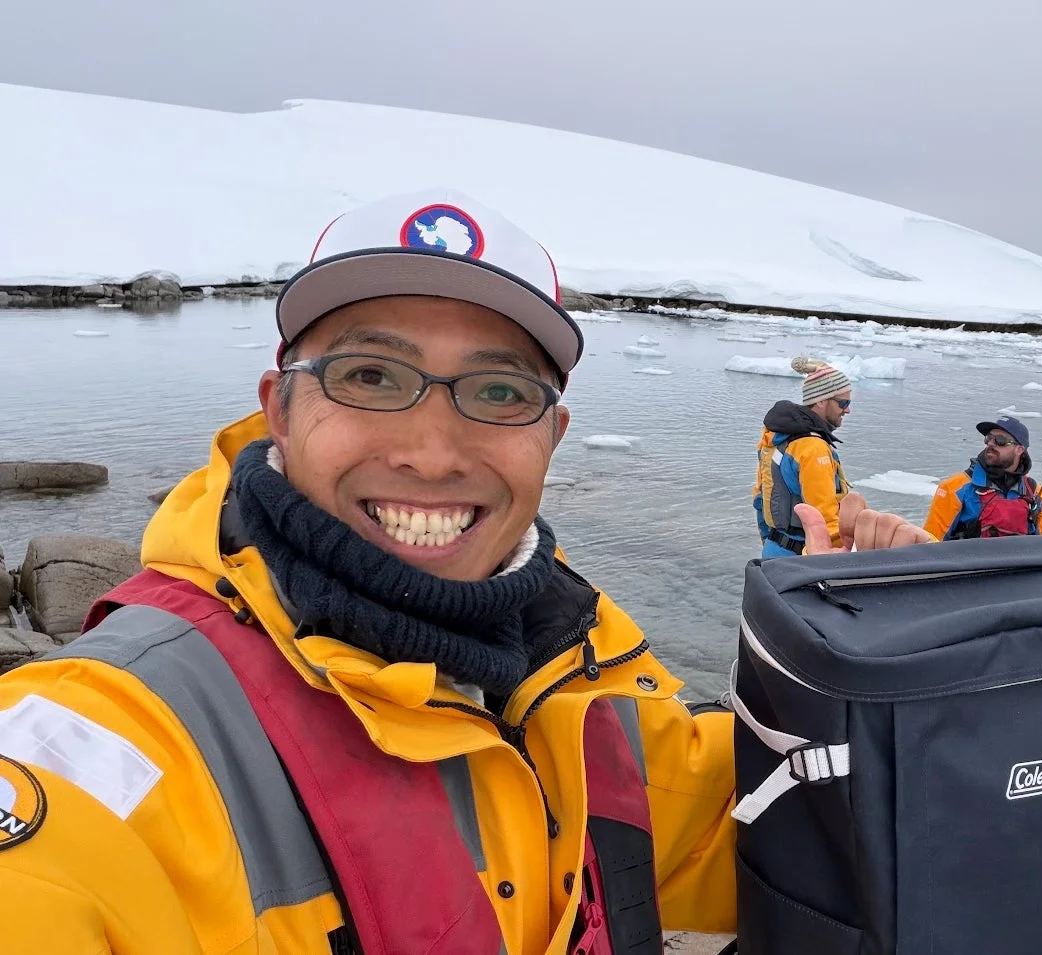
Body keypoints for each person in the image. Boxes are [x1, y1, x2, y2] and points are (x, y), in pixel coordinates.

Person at [0, 189, 933, 954]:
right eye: (369, 376)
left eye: (499, 392)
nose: (434, 452)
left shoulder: (573, 659)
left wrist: (860, 663)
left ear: (551, 436)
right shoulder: (105, 738)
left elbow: (773, 841)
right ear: (277, 412)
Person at [753, 357, 853, 558]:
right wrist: (842, 558)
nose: (848, 409)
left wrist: (768, 540)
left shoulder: (776, 437)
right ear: (821, 400)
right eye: (843, 402)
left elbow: (760, 497)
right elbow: (824, 514)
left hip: (775, 550)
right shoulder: (812, 448)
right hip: (803, 558)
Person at [924, 415, 1042, 540]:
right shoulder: (954, 488)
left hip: (1019, 563)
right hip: (968, 563)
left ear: (1019, 450)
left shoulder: (1038, 495)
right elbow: (929, 545)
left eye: (1000, 441)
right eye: (989, 438)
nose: (991, 444)